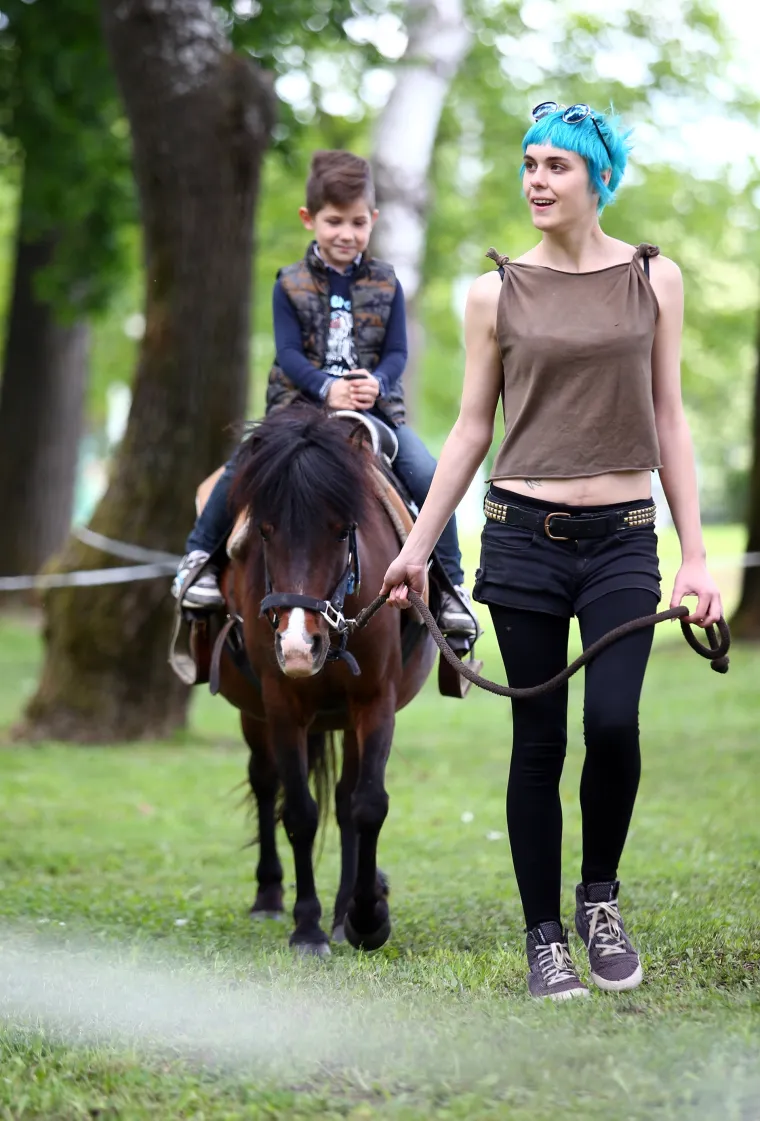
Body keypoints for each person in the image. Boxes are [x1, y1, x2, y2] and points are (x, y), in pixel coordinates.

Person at [381, 102, 723, 999]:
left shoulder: (656, 279)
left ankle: (598, 901)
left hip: (623, 539)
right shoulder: (495, 291)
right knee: (538, 742)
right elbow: (466, 430)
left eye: (557, 166)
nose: (536, 179)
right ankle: (545, 940)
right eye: (529, 164)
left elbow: (670, 418)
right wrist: (416, 547)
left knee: (613, 724)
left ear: (598, 178)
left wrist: (694, 557)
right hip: (521, 536)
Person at [172, 149, 478, 641]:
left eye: (358, 222)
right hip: (300, 411)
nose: (346, 233)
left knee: (429, 474)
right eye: (334, 221)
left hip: (374, 413)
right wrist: (327, 387)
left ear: (372, 221)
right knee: (243, 465)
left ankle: (453, 588)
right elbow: (289, 354)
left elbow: (398, 350)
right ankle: (199, 561)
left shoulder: (387, 282)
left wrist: (377, 381)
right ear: (309, 219)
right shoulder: (289, 284)